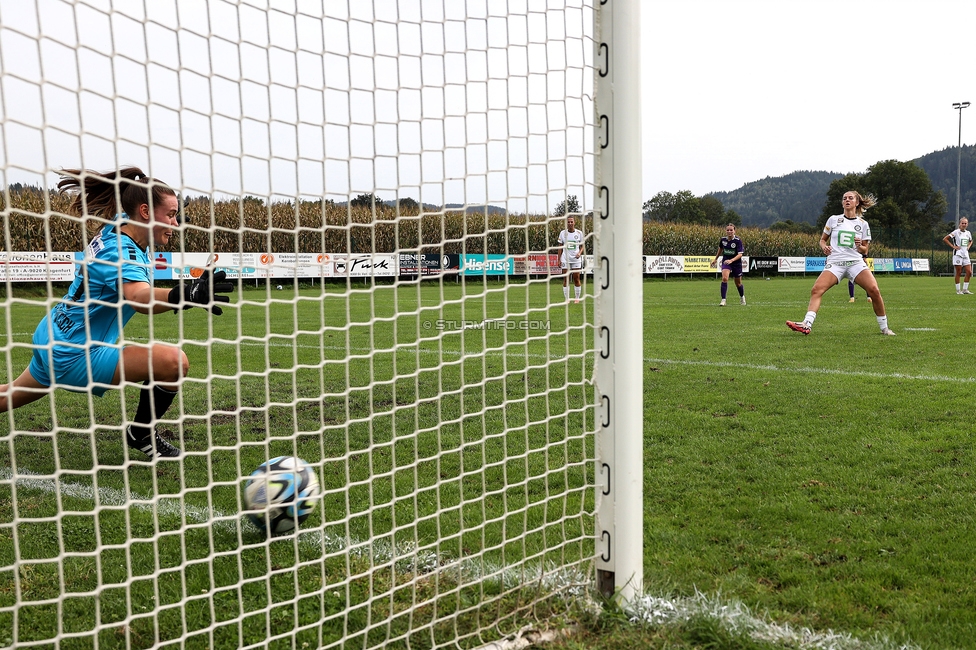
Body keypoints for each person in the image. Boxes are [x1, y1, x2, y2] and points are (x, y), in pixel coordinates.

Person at [0, 167, 234, 460]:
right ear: (145, 212)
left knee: (6, 396)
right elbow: (139, 297)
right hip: (76, 353)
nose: (176, 223)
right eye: (172, 214)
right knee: (174, 362)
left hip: (54, 333)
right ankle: (141, 433)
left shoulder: (122, 223)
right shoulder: (121, 252)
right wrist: (184, 294)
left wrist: (166, 218)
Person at [787, 191, 895, 336]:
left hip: (855, 262)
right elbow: (822, 240)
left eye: (850, 198)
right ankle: (807, 324)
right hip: (836, 262)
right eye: (844, 198)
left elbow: (865, 249)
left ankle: (885, 328)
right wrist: (824, 247)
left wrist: (859, 246)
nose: (847, 200)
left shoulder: (863, 224)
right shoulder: (833, 219)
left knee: (874, 290)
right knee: (816, 290)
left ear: (857, 203)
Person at [709, 223, 745, 306]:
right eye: (727, 230)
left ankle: (742, 297)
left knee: (738, 283)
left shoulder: (738, 241)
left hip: (736, 263)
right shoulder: (723, 240)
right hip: (726, 262)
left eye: (731, 230)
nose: (729, 231)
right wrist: (715, 259)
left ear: (734, 231)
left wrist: (732, 260)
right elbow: (720, 249)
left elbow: (740, 254)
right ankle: (723, 300)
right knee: (725, 278)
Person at [557, 216, 584, 303]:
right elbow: (560, 247)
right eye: (568, 222)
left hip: (576, 259)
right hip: (565, 259)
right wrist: (559, 259)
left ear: (574, 223)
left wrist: (580, 253)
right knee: (566, 279)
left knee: (576, 278)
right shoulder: (562, 233)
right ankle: (567, 299)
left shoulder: (579, 233)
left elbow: (582, 246)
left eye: (571, 222)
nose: (570, 223)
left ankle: (577, 298)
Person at [943, 217, 973, 294]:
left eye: (965, 223)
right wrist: (953, 246)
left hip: (965, 254)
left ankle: (965, 289)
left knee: (969, 272)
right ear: (960, 223)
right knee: (959, 272)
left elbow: (970, 241)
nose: (964, 224)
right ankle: (958, 290)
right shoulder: (956, 232)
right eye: (962, 223)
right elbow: (945, 239)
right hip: (958, 254)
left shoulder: (968, 233)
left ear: (967, 224)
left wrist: (968, 247)